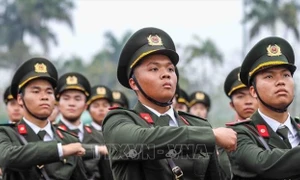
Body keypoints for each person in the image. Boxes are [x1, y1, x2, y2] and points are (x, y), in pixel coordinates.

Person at [102, 27, 237, 180]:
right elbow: (142, 141)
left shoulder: (198, 125)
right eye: (154, 69)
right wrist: (210, 135)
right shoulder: (118, 121)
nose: (166, 74)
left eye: (170, 69)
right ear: (133, 83)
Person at [0, 57, 87, 180]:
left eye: (49, 92)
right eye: (36, 91)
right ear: (20, 99)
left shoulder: (69, 139)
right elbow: (7, 158)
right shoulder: (7, 134)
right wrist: (60, 150)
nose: (44, 97)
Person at [227, 36, 300, 179]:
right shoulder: (240, 134)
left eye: (286, 75)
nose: (280, 82)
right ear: (253, 91)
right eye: (269, 77)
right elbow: (262, 163)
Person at [55, 72, 112, 180]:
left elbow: (106, 173)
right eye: (66, 98)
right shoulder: (50, 134)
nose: (71, 103)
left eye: (77, 99)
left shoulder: (98, 136)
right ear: (58, 104)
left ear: (86, 105)